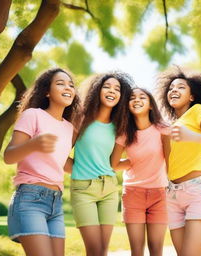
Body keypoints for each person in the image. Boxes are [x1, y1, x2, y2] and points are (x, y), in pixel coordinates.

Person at [4, 68, 81, 256]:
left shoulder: (70, 129)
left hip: (56, 202)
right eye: (60, 83)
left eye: (71, 85)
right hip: (30, 198)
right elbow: (8, 156)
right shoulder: (33, 115)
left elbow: (62, 163)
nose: (68, 87)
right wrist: (34, 144)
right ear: (47, 91)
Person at [156, 65, 201, 256]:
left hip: (196, 192)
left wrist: (191, 136)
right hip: (172, 196)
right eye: (171, 88)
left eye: (180, 87)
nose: (174, 90)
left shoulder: (197, 111)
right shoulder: (169, 127)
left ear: (192, 96)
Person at [70, 71, 134, 256]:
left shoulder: (119, 126)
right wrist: (77, 170)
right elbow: (61, 153)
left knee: (102, 251)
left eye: (117, 89)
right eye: (107, 86)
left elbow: (113, 163)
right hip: (83, 189)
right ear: (97, 90)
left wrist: (135, 162)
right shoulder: (81, 118)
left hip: (109, 189)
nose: (111, 91)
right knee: (94, 248)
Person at [110, 88, 170, 256]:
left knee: (156, 248)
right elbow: (114, 164)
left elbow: (174, 156)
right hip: (133, 194)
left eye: (142, 97)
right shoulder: (124, 132)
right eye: (132, 98)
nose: (136, 100)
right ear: (127, 105)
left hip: (159, 194)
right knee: (137, 250)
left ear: (151, 105)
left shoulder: (162, 128)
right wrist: (131, 162)